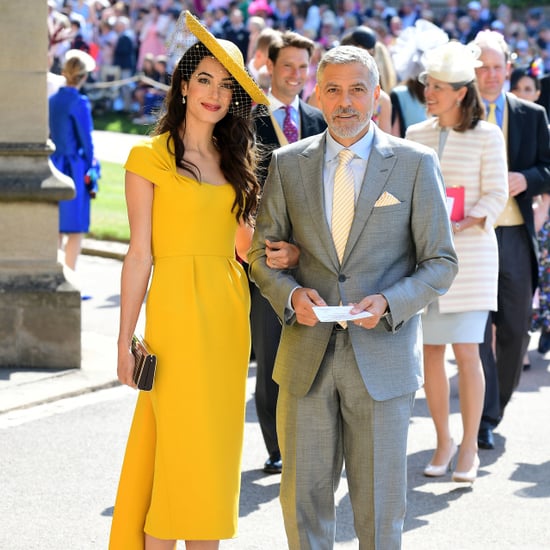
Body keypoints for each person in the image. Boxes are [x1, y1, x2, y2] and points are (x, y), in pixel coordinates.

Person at [248, 45, 458, 549]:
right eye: (334, 90)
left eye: (357, 89)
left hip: (382, 361)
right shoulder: (287, 163)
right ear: (318, 95)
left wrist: (389, 303)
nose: (346, 102)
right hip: (305, 359)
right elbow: (260, 254)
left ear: (376, 95)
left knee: (381, 509)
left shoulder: (413, 164)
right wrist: (292, 293)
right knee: (303, 506)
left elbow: (441, 263)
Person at [109, 11, 270, 549]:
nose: (214, 93)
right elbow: (138, 256)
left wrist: (283, 248)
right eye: (204, 78)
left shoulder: (238, 161)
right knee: (176, 454)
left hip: (227, 321)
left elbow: (245, 250)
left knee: (214, 457)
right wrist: (124, 340)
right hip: (174, 321)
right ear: (182, 84)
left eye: (227, 86)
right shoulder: (148, 157)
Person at [406, 41, 508, 483]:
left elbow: (498, 194)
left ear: (461, 92)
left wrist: (466, 221)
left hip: (473, 258)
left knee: (468, 350)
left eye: (439, 87)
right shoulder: (414, 136)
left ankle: (469, 446)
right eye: (428, 85)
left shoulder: (489, 135)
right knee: (429, 350)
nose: (429, 92)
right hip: (425, 259)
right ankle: (443, 441)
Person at [250, 29, 327, 475]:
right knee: (271, 350)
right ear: (271, 68)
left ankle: (307, 438)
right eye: (288, 67)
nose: (296, 75)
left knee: (312, 350)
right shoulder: (249, 119)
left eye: (303, 67)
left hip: (313, 256)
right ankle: (276, 445)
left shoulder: (319, 121)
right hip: (268, 255)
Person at [471, 30, 550, 451]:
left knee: (516, 330)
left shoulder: (530, 114)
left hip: (515, 234)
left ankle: (496, 406)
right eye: (482, 67)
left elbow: (548, 168)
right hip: (472, 237)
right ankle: (483, 416)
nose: (490, 75)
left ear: (508, 67)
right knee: (478, 330)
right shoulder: (460, 114)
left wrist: (528, 178)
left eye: (497, 67)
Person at [49, 48, 97, 272]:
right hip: (73, 168)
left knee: (56, 227)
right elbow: (87, 142)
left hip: (52, 163)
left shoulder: (52, 100)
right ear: (84, 76)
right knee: (75, 228)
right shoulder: (79, 102)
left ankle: (55, 275)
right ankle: (70, 279)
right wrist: (93, 168)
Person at [339, 26, 392, 133]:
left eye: (369, 56)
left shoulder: (381, 100)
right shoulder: (325, 92)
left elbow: (385, 144)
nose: (363, 63)